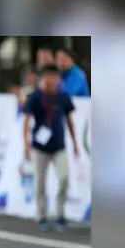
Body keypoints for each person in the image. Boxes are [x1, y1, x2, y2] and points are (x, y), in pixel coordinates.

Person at [22, 65, 80, 232]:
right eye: (48, 76)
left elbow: (69, 120)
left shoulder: (63, 97)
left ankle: (60, 214)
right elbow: (26, 121)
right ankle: (41, 215)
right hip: (40, 147)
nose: (51, 80)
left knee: (64, 178)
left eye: (54, 76)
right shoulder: (35, 97)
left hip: (58, 145)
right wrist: (26, 143)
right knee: (40, 183)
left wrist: (75, 143)